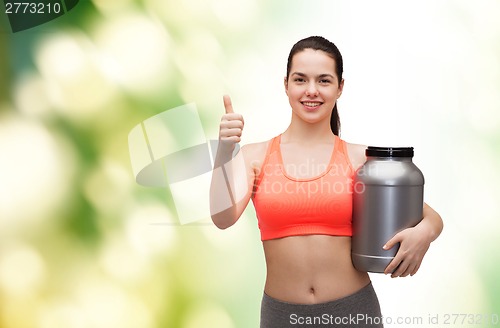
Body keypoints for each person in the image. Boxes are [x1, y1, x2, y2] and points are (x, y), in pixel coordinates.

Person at [209, 36, 443, 328]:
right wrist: (225, 150)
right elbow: (222, 217)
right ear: (286, 85)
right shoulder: (254, 156)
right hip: (281, 317)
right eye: (300, 79)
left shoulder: (360, 160)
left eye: (323, 80)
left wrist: (426, 233)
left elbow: (427, 215)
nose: (311, 91)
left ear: (339, 87)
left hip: (354, 311)